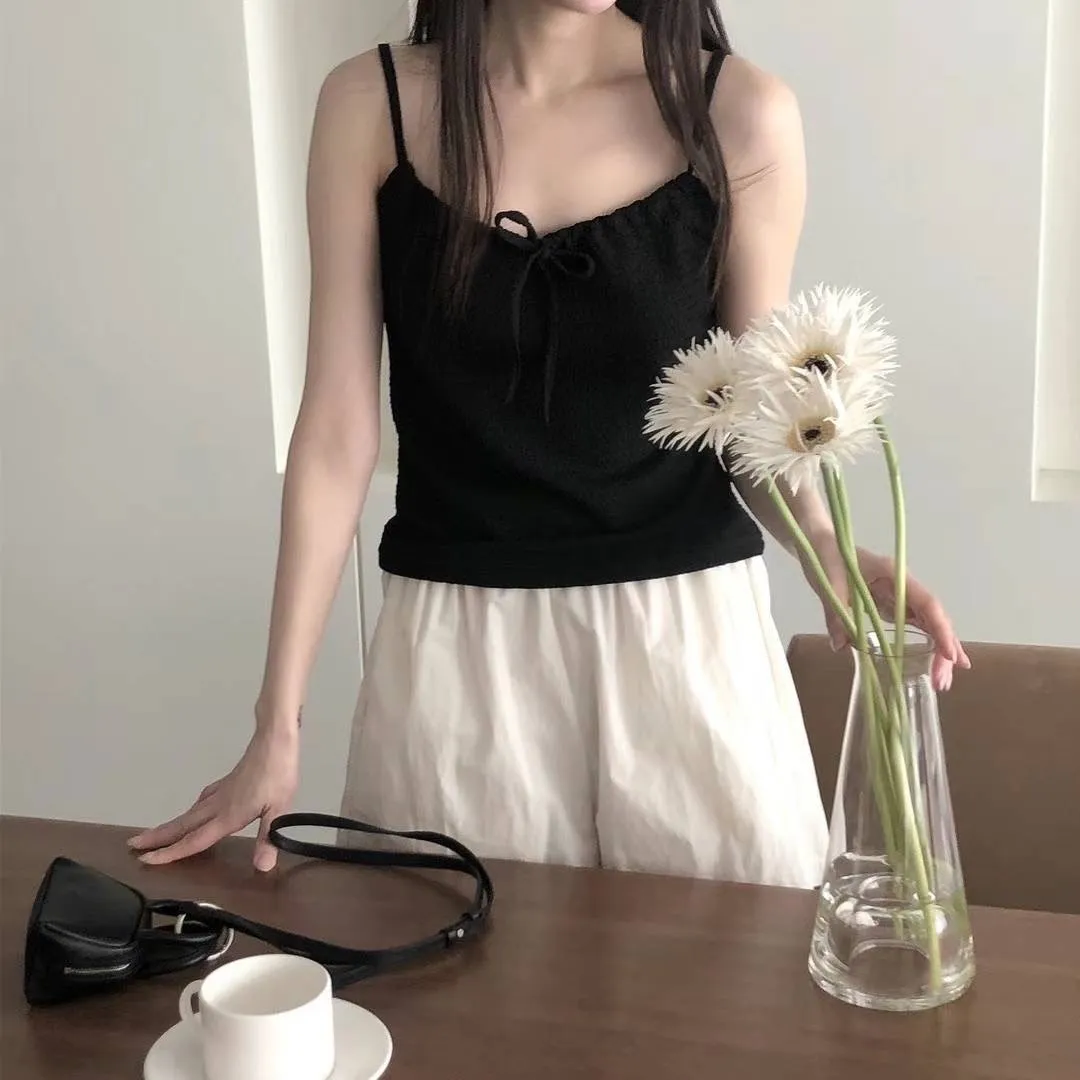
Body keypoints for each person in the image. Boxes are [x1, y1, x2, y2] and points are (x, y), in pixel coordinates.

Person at [130, 0, 969, 885]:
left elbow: (752, 415)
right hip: (453, 647)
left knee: (734, 965)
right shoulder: (370, 105)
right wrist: (277, 724)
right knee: (455, 965)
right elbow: (337, 431)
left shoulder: (740, 114)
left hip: (687, 640)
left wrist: (826, 546)